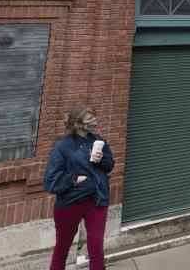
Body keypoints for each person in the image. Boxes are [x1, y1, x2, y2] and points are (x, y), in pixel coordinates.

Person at [43, 106, 115, 270]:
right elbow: (51, 181)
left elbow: (110, 165)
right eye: (90, 120)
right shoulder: (62, 147)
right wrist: (74, 179)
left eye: (94, 119)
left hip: (97, 200)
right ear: (77, 124)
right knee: (62, 249)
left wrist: (102, 159)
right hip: (70, 202)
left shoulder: (98, 141)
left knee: (96, 249)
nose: (94, 123)